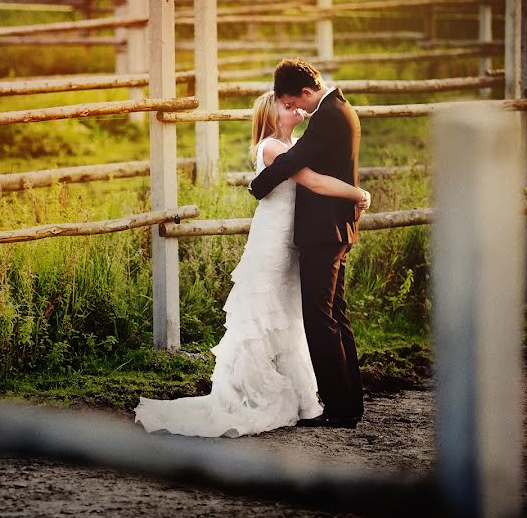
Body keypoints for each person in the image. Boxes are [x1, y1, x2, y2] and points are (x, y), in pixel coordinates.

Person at [133, 88, 370, 437]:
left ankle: (300, 393)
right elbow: (314, 181)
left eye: (293, 104)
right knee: (264, 312)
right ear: (271, 116)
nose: (293, 109)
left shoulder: (296, 145)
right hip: (273, 239)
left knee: (288, 315)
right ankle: (253, 390)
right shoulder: (273, 148)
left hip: (294, 240)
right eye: (286, 106)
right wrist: (358, 193)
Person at [249, 59, 365, 429]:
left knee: (320, 319)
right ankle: (349, 403)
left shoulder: (328, 115)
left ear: (304, 91)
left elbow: (298, 163)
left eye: (293, 101)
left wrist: (257, 185)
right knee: (337, 315)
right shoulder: (341, 108)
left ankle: (339, 407)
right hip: (333, 228)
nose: (296, 109)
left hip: (323, 231)